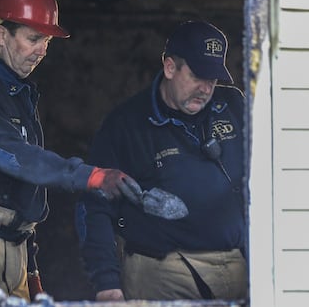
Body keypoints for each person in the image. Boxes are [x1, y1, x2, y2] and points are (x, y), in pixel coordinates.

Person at [0, 0, 142, 305]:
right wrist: (91, 176)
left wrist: (32, 271)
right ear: (1, 34)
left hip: (13, 246)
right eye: (34, 38)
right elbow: (10, 156)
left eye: (47, 42)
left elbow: (22, 191)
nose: (42, 50)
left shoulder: (19, 95)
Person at [75, 20, 248, 302]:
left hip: (233, 264)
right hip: (161, 270)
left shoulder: (233, 106)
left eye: (213, 80)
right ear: (170, 67)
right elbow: (94, 205)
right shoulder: (126, 124)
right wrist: (106, 281)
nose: (206, 89)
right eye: (197, 76)